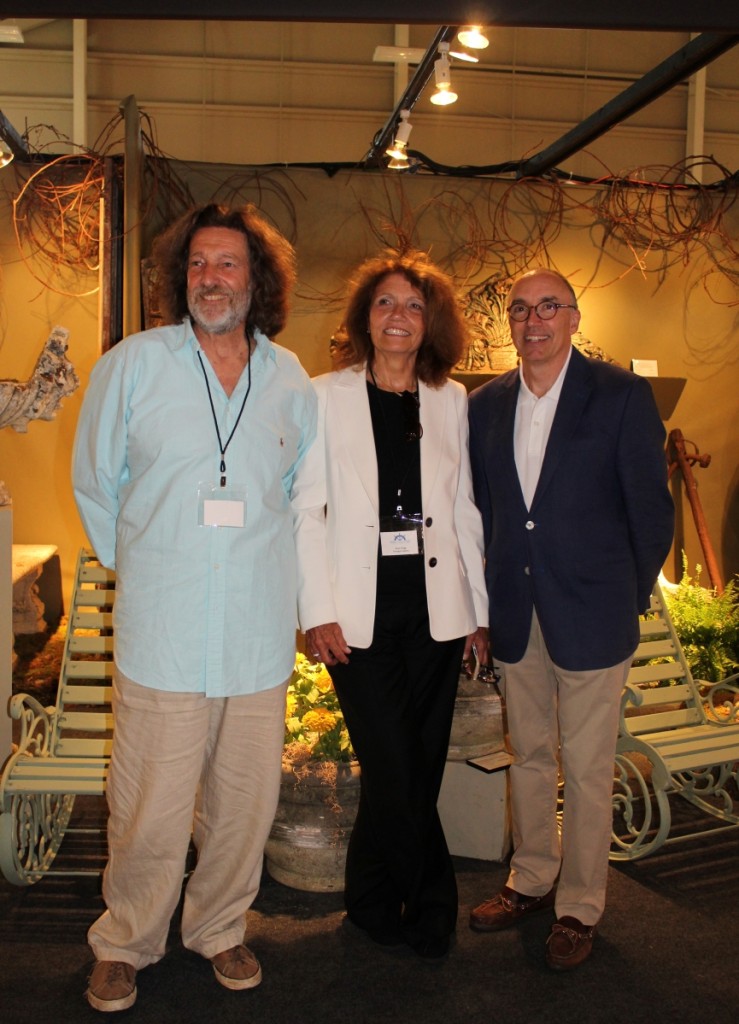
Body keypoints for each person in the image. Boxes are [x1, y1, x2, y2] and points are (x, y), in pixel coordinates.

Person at [72, 203, 317, 1012]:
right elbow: (95, 483)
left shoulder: (289, 380)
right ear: (181, 277)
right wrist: (146, 566)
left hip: (252, 630)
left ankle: (218, 926)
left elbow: (293, 493)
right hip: (165, 629)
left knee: (244, 801)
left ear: (258, 279)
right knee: (150, 800)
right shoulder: (133, 365)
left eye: (229, 265)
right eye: (199, 265)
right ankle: (127, 940)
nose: (212, 279)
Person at [467, 267, 674, 970]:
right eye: (520, 309)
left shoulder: (618, 397)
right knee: (527, 755)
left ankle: (579, 906)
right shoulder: (485, 403)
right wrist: (483, 607)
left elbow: (651, 514)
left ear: (573, 317)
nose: (533, 321)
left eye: (547, 307)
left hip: (593, 615)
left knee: (585, 769)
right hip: (517, 616)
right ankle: (529, 879)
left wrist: (625, 593)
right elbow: (490, 514)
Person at [292, 249, 489, 961]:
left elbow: (461, 509)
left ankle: (371, 901)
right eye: (384, 303)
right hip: (357, 614)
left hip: (435, 610)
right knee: (395, 762)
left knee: (412, 765)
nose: (398, 316)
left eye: (412, 305)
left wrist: (476, 611)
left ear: (430, 320)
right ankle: (433, 902)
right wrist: (316, 609)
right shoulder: (322, 395)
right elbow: (306, 510)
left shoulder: (451, 398)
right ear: (363, 317)